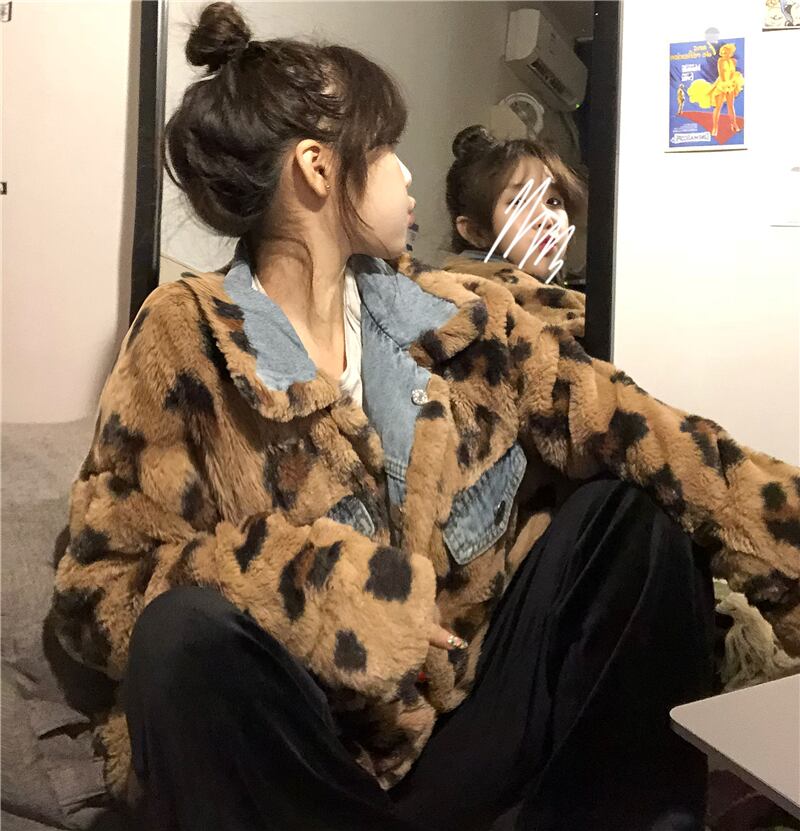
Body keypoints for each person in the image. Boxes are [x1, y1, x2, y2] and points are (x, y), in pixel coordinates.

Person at [50, 3, 800, 830]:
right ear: (317, 169)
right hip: (319, 759)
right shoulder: (185, 336)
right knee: (181, 636)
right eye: (384, 149)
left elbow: (640, 430)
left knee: (631, 518)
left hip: (470, 723)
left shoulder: (458, 316)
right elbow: (97, 595)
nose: (407, 177)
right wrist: (311, 586)